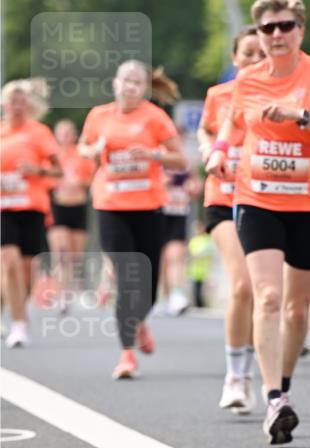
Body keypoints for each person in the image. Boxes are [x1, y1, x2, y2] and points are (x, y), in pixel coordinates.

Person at [207, 0, 310, 444]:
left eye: (285, 26)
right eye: (267, 28)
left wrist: (303, 117)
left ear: (300, 30)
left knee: (296, 306)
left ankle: (283, 385)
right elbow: (231, 124)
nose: (276, 35)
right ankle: (274, 398)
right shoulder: (247, 80)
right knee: (266, 296)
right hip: (258, 200)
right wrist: (217, 152)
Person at [79, 61, 186, 379]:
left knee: (148, 286)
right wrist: (93, 149)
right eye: (126, 81)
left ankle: (139, 323)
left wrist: (153, 155)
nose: (130, 87)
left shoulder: (155, 118)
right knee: (127, 277)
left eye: (137, 82)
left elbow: (180, 159)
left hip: (149, 207)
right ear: (115, 84)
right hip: (111, 205)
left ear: (145, 88)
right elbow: (83, 146)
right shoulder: (100, 116)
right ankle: (127, 353)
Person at [198, 25, 264, 414]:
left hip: (266, 201)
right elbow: (206, 133)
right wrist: (212, 152)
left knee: (265, 293)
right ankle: (235, 376)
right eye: (248, 53)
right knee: (241, 285)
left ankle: (259, 370)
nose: (255, 60)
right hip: (223, 199)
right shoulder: (218, 96)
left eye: (261, 54)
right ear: (235, 58)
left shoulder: (280, 95)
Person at [1, 79, 62, 347]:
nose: (17, 107)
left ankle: (13, 308)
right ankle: (18, 324)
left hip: (33, 208)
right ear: (4, 104)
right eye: (12, 102)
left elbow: (59, 171)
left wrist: (37, 171)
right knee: (9, 261)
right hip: (4, 208)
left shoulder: (39, 133)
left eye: (22, 102)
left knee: (26, 272)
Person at [47, 119, 96, 314]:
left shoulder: (82, 155)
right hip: (58, 207)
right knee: (61, 253)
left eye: (69, 132)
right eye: (62, 132)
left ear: (74, 135)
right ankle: (61, 295)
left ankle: (70, 290)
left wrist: (80, 183)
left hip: (78, 207)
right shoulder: (52, 155)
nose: (66, 135)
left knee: (75, 256)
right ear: (56, 135)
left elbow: (92, 180)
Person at [159, 155, 201, 316]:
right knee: (162, 259)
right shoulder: (156, 159)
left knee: (176, 255)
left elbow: (197, 183)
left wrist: (193, 188)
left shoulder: (186, 161)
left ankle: (177, 294)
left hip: (178, 213)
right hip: (158, 213)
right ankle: (165, 296)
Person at [188, 220, 216, 308]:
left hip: (203, 270)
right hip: (194, 270)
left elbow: (207, 251)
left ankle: (201, 304)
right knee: (195, 289)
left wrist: (197, 255)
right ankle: (196, 304)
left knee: (203, 289)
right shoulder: (194, 240)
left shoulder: (206, 239)